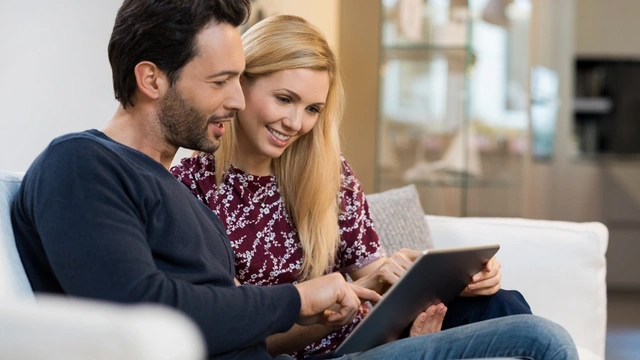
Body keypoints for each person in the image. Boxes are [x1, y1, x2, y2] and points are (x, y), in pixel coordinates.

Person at [10, 1, 577, 359]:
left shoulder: (165, 185)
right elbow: (141, 310)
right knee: (539, 340)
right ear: (152, 78)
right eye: (223, 81)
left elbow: (224, 315)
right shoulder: (84, 163)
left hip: (318, 340)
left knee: (508, 309)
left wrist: (360, 299)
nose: (235, 100)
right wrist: (302, 297)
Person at [170, 13, 573, 360]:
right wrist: (364, 292)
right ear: (242, 85)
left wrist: (447, 281)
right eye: (284, 99)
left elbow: (374, 273)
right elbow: (240, 334)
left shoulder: (326, 171)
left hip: (371, 341)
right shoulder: (192, 188)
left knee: (502, 301)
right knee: (541, 337)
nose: (295, 123)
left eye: (312, 109)